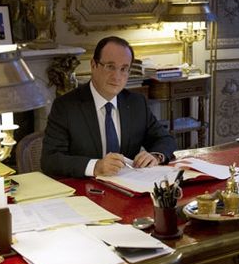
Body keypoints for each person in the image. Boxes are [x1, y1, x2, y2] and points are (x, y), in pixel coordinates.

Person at [41, 36, 177, 178]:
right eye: (110, 67)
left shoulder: (136, 103)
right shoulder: (66, 106)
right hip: (86, 191)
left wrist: (155, 156)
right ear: (93, 65)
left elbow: (165, 140)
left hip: (129, 188)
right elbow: (50, 160)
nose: (117, 76)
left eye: (124, 69)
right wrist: (95, 166)